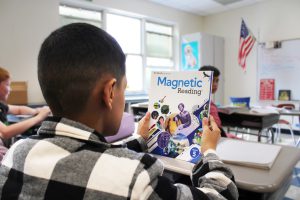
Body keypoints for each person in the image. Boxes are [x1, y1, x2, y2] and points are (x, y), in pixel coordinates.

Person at [0, 23, 238, 199]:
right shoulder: (134, 177)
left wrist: (141, 140)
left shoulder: (16, 154)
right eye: (124, 88)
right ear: (110, 92)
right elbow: (220, 195)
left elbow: (86, 156)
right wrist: (209, 151)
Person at [0, 67, 51, 161]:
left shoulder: (1, 105)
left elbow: (19, 110)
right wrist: (39, 117)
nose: (10, 89)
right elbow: (5, 132)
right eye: (7, 85)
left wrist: (38, 110)